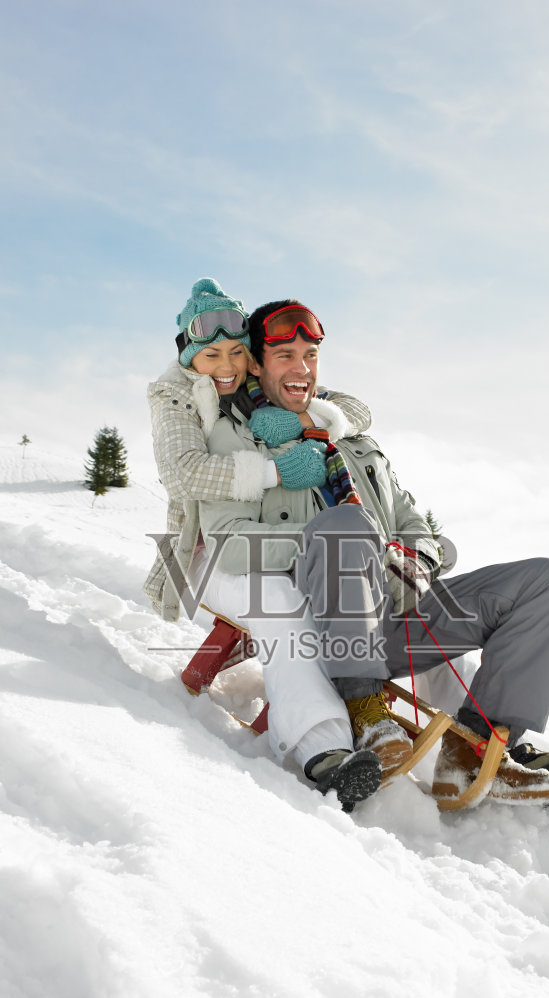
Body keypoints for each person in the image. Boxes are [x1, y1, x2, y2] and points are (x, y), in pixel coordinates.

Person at [195, 299, 549, 808]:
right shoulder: (234, 437)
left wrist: (416, 559)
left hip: (394, 615)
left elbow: (415, 526)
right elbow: (227, 541)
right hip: (326, 628)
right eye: (284, 355)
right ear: (255, 362)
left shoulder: (352, 441)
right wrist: (343, 541)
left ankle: (481, 747)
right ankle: (366, 716)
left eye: (310, 354)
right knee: (348, 523)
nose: (301, 368)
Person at [144, 280, 387, 809]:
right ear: (189, 355)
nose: (225, 365)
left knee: (334, 593)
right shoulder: (175, 397)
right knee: (281, 604)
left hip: (267, 545)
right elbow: (184, 474)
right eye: (211, 354)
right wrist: (274, 472)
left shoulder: (260, 399)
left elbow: (353, 407)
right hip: (205, 551)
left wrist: (312, 417)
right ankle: (320, 748)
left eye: (237, 352)